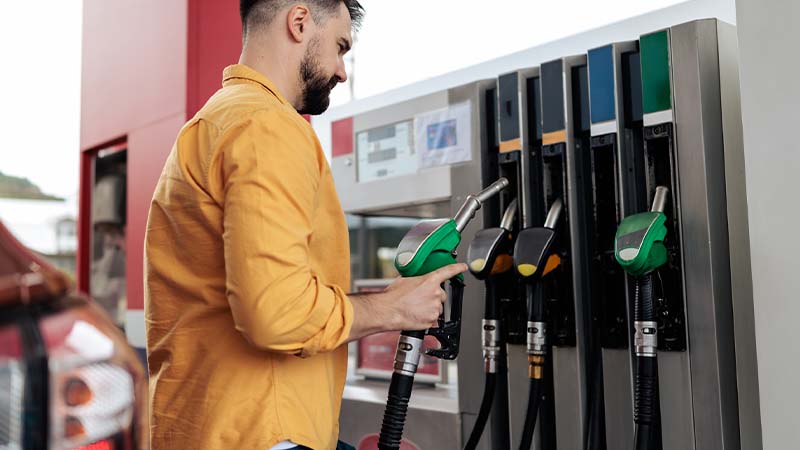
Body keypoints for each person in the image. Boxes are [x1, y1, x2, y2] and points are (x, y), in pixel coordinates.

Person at [144, 1, 467, 449]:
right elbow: (276, 314)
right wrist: (393, 308)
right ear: (299, 23)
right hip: (264, 433)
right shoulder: (266, 125)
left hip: (209, 428)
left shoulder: (211, 122)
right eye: (340, 47)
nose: (341, 71)